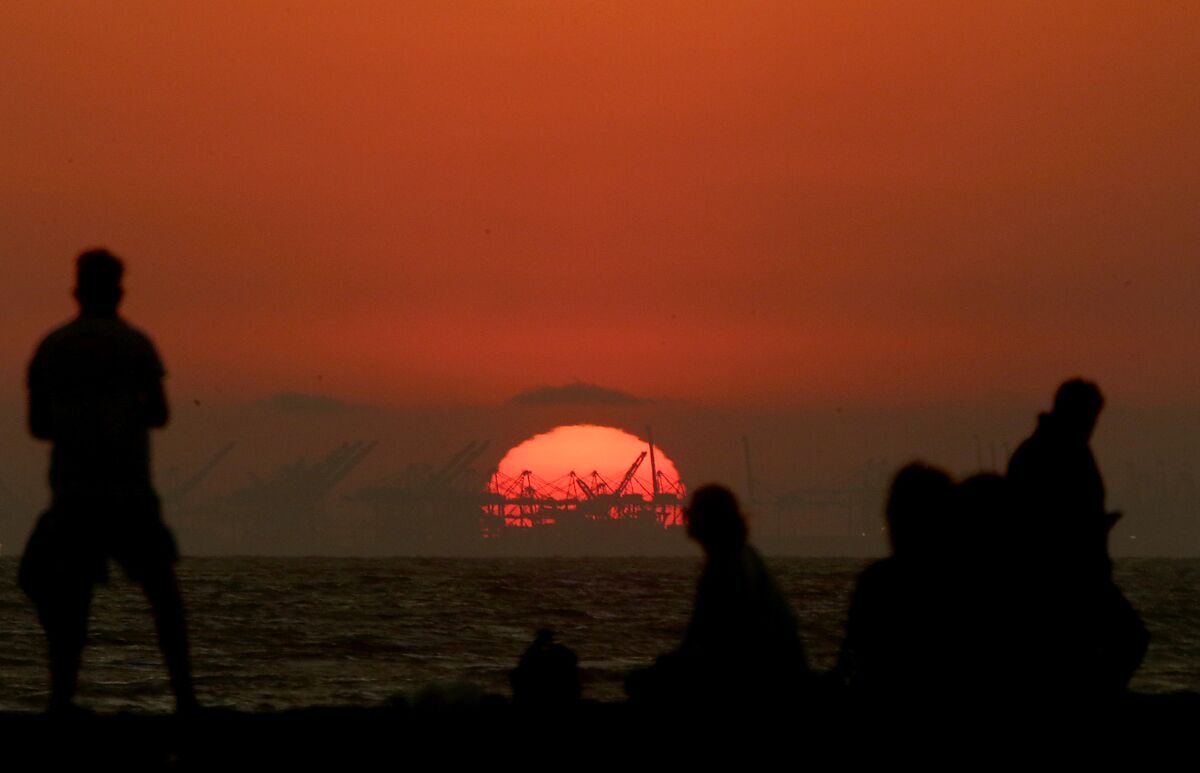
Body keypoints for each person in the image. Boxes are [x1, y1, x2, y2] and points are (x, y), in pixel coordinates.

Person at [19, 248, 197, 714]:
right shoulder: (136, 344)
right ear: (119, 291)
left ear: (77, 290)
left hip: (74, 493)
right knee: (163, 598)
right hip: (129, 491)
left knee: (68, 601)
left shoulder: (51, 347)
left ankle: (60, 702)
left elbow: (37, 426)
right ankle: (186, 700)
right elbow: (159, 414)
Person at [1006, 379, 1147, 697]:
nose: (1093, 425)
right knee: (1126, 639)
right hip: (1066, 578)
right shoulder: (1056, 454)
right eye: (1090, 417)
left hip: (1074, 577)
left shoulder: (1057, 451)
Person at [627, 484, 810, 710]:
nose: (687, 520)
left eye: (691, 514)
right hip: (777, 676)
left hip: (760, 684)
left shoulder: (725, 568)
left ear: (706, 521)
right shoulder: (743, 557)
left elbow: (709, 641)